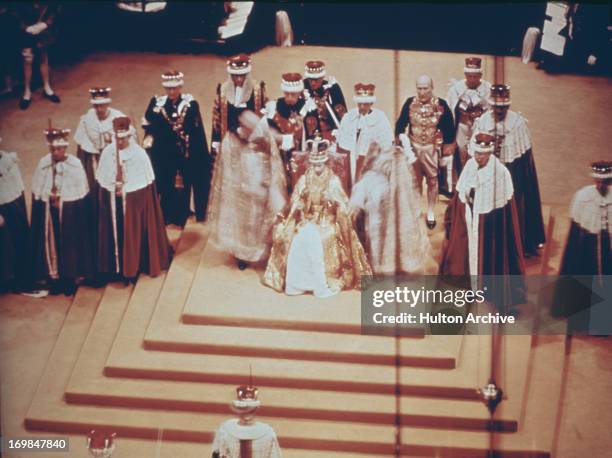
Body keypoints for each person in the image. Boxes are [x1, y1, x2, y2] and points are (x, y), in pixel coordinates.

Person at [263, 135, 371, 297]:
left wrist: (332, 202)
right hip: (307, 219)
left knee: (318, 240)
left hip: (327, 220)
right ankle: (297, 283)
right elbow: (295, 201)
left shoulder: (333, 181)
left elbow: (343, 205)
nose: (317, 168)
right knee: (296, 239)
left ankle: (320, 282)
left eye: (320, 164)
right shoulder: (305, 179)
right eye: (314, 164)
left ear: (326, 162)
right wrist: (299, 206)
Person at [470, 84, 545, 257]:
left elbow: (524, 159)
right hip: (487, 171)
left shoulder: (518, 124)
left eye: (503, 107)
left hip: (512, 170)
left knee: (513, 205)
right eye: (496, 107)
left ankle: (515, 244)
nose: (499, 110)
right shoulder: (482, 122)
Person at [208, 110, 287, 271]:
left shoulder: (263, 133)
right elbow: (228, 163)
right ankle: (242, 255)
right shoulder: (232, 139)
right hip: (242, 187)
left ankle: (264, 251)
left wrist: (267, 180)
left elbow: (273, 150)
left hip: (261, 184)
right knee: (244, 224)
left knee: (261, 220)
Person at [440, 134, 525, 280]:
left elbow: (504, 212)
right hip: (469, 217)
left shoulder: (500, 173)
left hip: (489, 226)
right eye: (477, 153)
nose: (478, 157)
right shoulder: (470, 165)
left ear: (490, 153)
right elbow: (460, 193)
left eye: (482, 154)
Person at [96, 116, 171, 282]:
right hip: (114, 205)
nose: (120, 142)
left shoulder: (138, 154)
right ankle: (115, 268)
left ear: (129, 137)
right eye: (117, 138)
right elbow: (104, 180)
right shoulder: (108, 153)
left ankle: (133, 267)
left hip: (132, 207)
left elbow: (142, 186)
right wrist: (113, 187)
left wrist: (124, 191)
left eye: (123, 138)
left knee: (133, 234)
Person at [350, 143, 435, 275]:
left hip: (394, 207)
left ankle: (397, 264)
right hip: (376, 209)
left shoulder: (399, 160)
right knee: (375, 237)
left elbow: (407, 191)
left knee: (394, 233)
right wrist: (357, 204)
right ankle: (379, 267)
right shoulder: (372, 165)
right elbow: (364, 183)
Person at [143, 70, 212, 226]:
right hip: (165, 155)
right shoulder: (158, 104)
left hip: (185, 154)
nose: (172, 92)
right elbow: (150, 121)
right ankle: (168, 214)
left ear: (180, 88)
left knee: (184, 184)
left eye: (175, 89)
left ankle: (185, 213)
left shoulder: (189, 104)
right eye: (169, 89)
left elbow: (193, 128)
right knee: (166, 184)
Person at [30, 125, 93, 295]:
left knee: (70, 247)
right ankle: (53, 276)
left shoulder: (75, 165)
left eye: (59, 148)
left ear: (65, 148)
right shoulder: (44, 164)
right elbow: (38, 191)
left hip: (69, 217)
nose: (56, 152)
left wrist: (63, 202)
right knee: (51, 245)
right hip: (49, 218)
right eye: (53, 149)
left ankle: (70, 277)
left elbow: (78, 193)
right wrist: (48, 200)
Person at [395, 75, 455, 229]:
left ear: (431, 88)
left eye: (425, 88)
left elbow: (449, 127)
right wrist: (401, 140)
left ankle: (430, 211)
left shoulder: (440, 104)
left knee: (432, 181)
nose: (422, 92)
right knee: (414, 182)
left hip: (431, 150)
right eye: (419, 88)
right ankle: (415, 210)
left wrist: (447, 147)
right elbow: (400, 124)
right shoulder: (410, 103)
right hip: (413, 149)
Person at [264, 72, 317, 191]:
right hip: (280, 154)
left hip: (301, 153)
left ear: (299, 92)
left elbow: (312, 134)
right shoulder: (275, 106)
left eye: (293, 94)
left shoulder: (308, 108)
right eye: (286, 94)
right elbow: (269, 132)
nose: (289, 98)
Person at [558, 161, 611, 276]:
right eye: (598, 182)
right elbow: (575, 231)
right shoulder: (582, 196)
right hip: (588, 243)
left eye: (604, 183)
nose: (601, 186)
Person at [337, 83, 393, 187]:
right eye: (360, 104)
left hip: (371, 160)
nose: (362, 107)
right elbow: (341, 142)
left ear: (371, 103)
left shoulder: (380, 118)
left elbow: (387, 142)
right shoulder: (349, 117)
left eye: (365, 104)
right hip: (352, 159)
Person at [446, 57, 491, 185]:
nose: (472, 79)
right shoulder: (456, 88)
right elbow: (450, 109)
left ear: (480, 75)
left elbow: (491, 110)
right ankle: (460, 182)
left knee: (477, 153)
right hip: (462, 125)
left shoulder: (488, 88)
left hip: (479, 126)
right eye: (469, 76)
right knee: (461, 154)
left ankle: (477, 182)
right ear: (465, 75)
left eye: (475, 76)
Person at [211, 54, 267, 157]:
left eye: (242, 75)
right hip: (230, 140)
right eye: (236, 76)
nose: (239, 79)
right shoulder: (223, 91)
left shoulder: (257, 91)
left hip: (251, 141)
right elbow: (217, 118)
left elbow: (264, 116)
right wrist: (216, 140)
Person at [12, 2, 61, 110]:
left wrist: (46, 24)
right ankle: (27, 92)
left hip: (42, 31)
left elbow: (55, 9)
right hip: (26, 31)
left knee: (43, 59)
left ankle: (47, 88)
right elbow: (14, 12)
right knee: (27, 60)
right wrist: (25, 27)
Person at [211, 384, 282, 458]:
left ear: (256, 409)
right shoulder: (225, 431)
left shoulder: (268, 433)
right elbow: (218, 454)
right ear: (238, 408)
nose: (247, 415)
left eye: (250, 410)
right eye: (243, 409)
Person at [0, 137, 31, 293]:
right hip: (2, 208)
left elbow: (17, 185)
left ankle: (21, 278)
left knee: (19, 240)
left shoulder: (7, 158)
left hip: (13, 202)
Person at [302, 60, 347, 141]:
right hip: (307, 136)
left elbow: (342, 118)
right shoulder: (302, 89)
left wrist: (326, 111)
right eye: (310, 79)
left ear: (322, 77)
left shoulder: (332, 88)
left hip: (330, 133)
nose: (312, 83)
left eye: (316, 79)